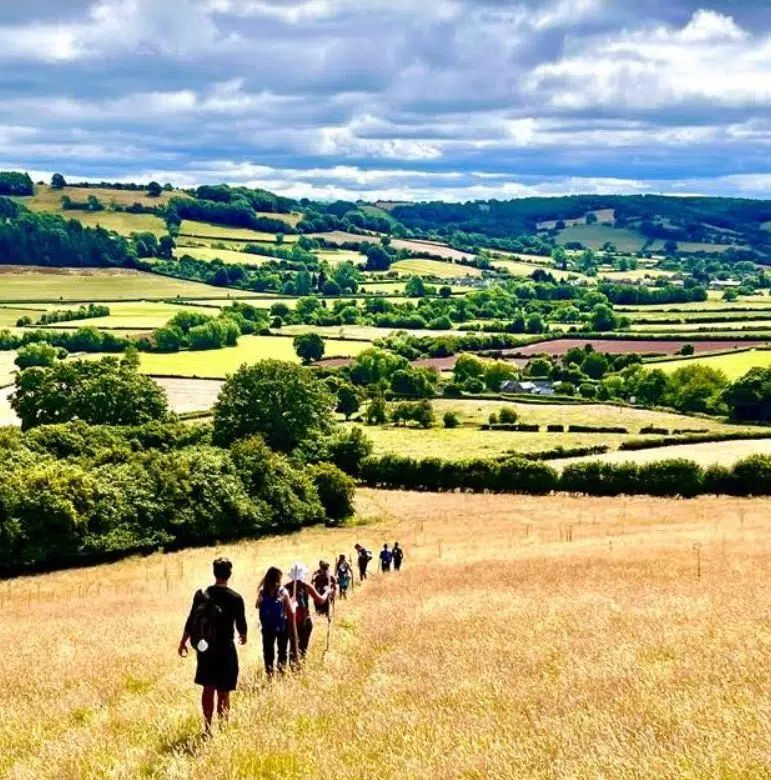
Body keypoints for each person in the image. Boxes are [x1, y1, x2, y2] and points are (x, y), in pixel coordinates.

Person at [178, 558, 247, 734]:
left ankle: (208, 728)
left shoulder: (201, 594)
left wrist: (183, 641)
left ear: (214, 573)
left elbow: (191, 619)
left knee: (208, 688)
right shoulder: (235, 598)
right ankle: (223, 728)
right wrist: (243, 636)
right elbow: (242, 628)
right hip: (225, 649)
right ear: (229, 574)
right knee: (224, 691)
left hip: (205, 648)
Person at [281, 563, 328, 667]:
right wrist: (327, 592)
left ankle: (293, 668)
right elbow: (320, 600)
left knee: (293, 647)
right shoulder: (306, 586)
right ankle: (299, 668)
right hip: (305, 621)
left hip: (290, 621)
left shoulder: (285, 588)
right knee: (303, 647)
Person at [256, 566, 294, 678]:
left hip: (267, 627)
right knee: (282, 651)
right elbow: (291, 610)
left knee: (268, 651)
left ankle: (269, 674)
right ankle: (281, 674)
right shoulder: (283, 592)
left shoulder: (262, 592)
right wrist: (294, 604)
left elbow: (257, 605)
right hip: (282, 626)